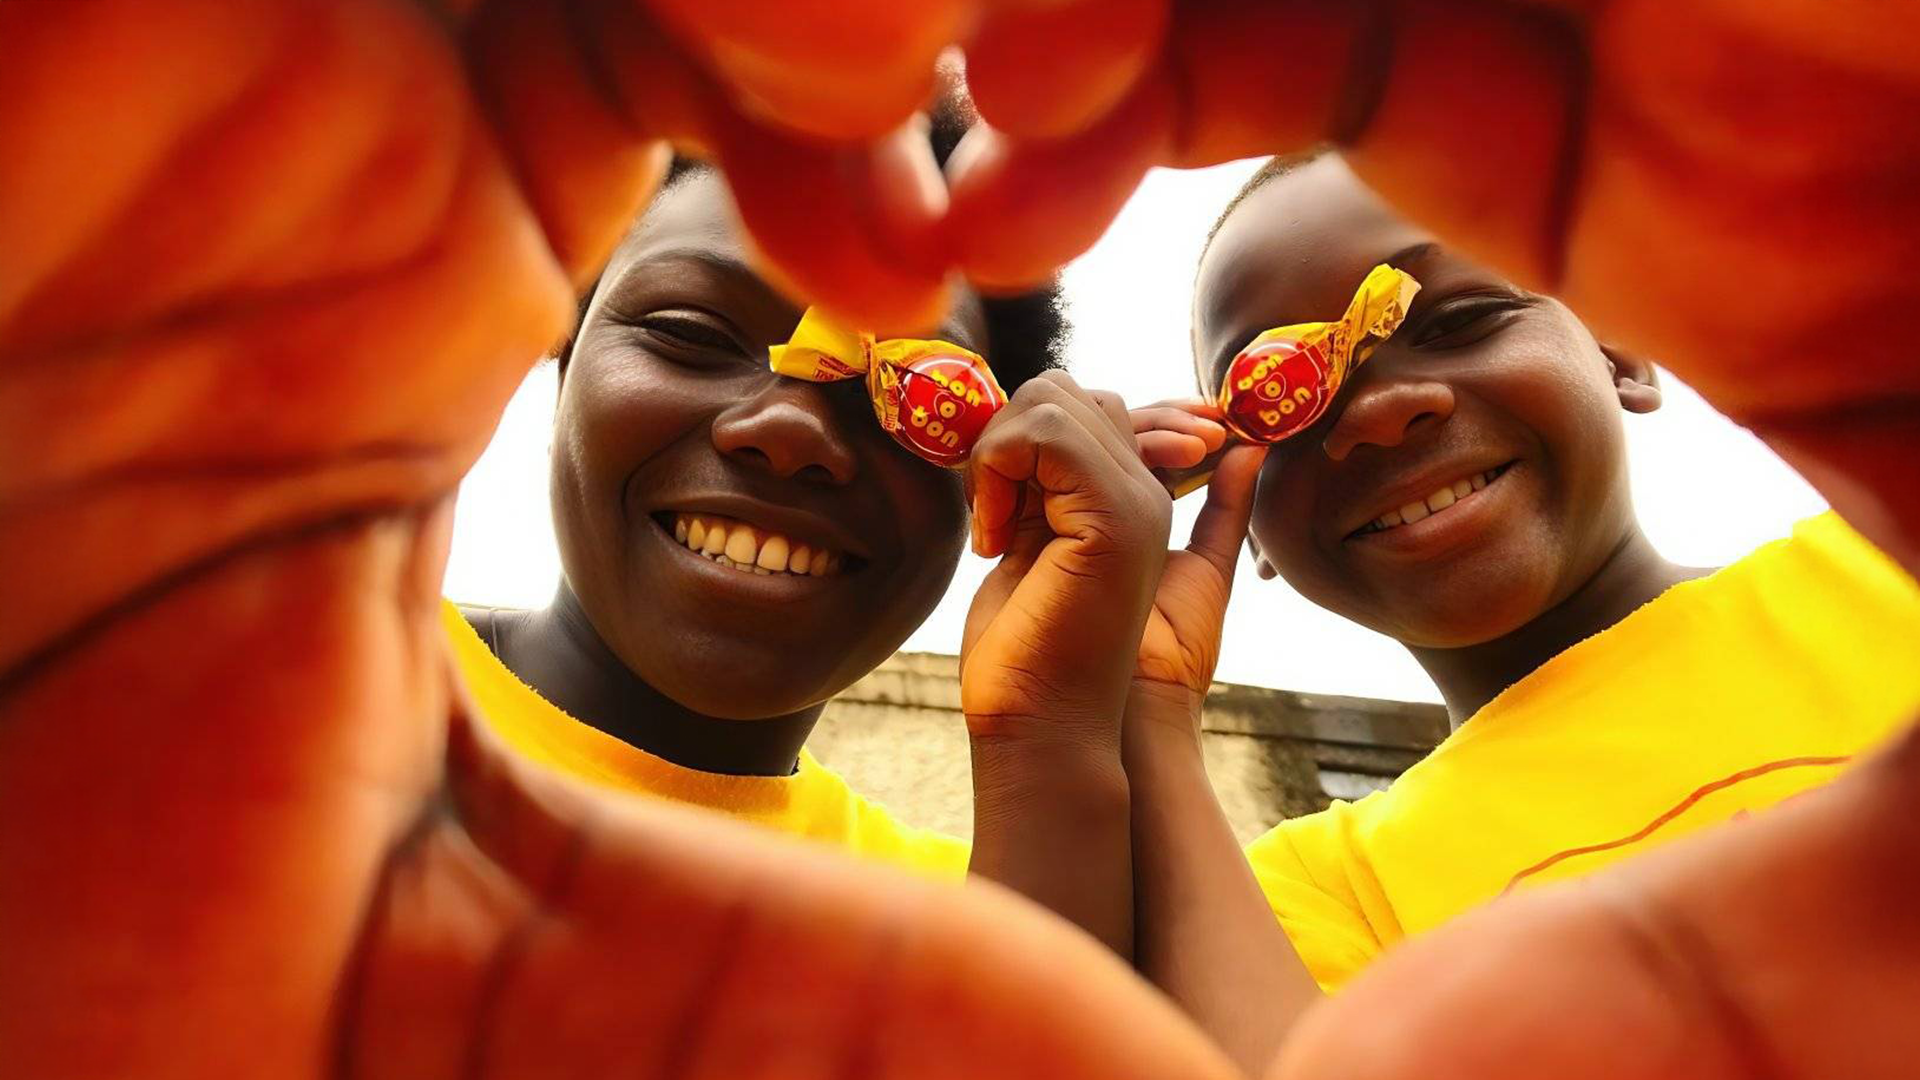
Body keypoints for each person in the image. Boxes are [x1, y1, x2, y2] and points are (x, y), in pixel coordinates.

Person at [6, 1, 1918, 1078]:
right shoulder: (180, 721)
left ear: (1003, 479)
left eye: (897, 396)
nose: (778, 416)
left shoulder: (951, 928)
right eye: (693, 335)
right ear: (544, 355)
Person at [1118, 148, 1920, 1069]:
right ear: (1240, 511)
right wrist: (1139, 697)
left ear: (1619, 344)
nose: (1381, 411)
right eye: (1285, 396)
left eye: (1461, 319)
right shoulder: (1319, 892)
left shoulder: (1882, 570)